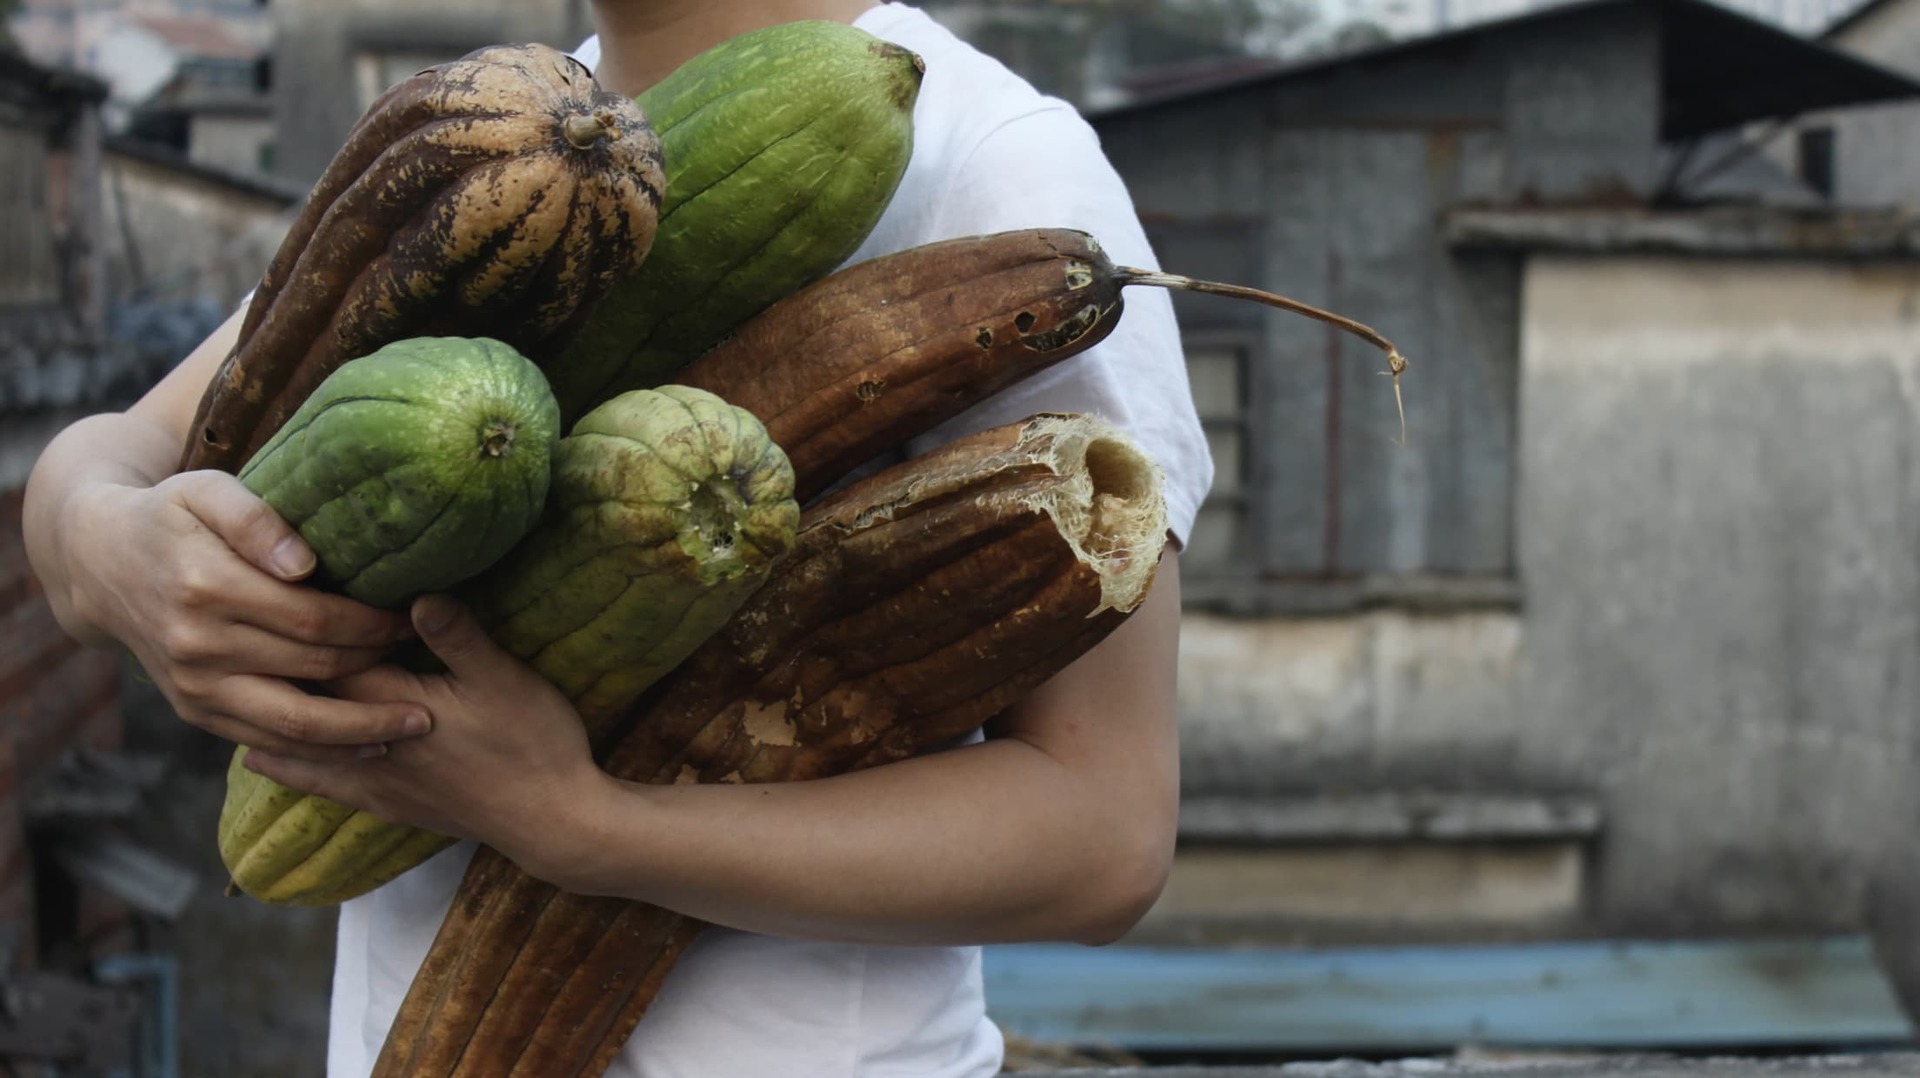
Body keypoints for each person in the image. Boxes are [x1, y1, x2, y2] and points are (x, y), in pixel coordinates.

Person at [22, 1, 1214, 1074]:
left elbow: (1101, 836)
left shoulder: (995, 162)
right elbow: (113, 457)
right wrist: (111, 548)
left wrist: (585, 827)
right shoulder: (517, 127)